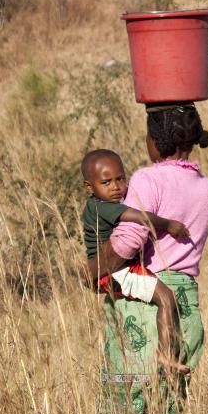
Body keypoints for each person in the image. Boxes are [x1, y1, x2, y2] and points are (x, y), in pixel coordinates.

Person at [86, 105, 208, 414]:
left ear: (155, 141)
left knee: (124, 410)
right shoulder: (205, 186)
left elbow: (128, 241)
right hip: (186, 305)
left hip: (145, 301)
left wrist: (94, 269)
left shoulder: (147, 178)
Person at [81, 148, 191, 373]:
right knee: (166, 297)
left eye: (120, 179)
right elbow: (139, 216)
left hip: (108, 273)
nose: (116, 187)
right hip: (117, 271)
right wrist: (169, 224)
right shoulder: (104, 207)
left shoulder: (93, 207)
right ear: (89, 187)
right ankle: (166, 354)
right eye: (107, 182)